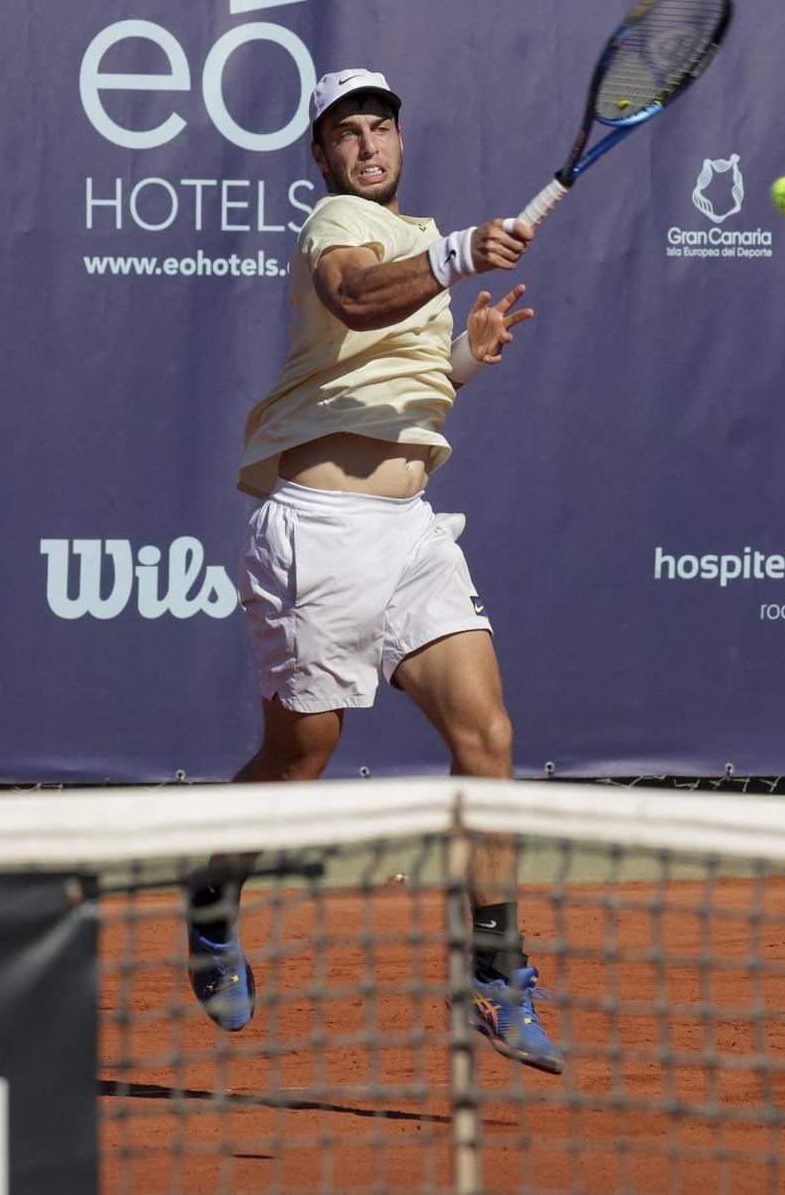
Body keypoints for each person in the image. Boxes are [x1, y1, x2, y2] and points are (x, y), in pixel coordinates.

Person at [184, 67, 563, 1074]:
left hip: (411, 534)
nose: (366, 145)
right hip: (319, 535)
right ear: (320, 154)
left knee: (486, 735)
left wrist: (465, 362)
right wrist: (452, 256)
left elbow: (398, 383)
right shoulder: (332, 230)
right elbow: (353, 302)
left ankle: (496, 971)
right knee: (299, 759)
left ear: (400, 139)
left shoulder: (417, 240)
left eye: (380, 127)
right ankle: (213, 896)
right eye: (346, 132)